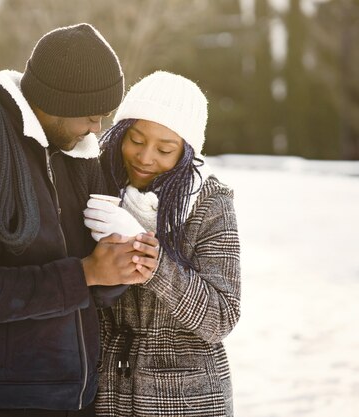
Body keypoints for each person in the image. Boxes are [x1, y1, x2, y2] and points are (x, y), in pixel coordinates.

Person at [0, 23, 160, 417]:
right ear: (55, 100)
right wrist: (85, 273)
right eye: (91, 115)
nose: (98, 128)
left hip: (75, 394)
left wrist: (121, 265)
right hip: (2, 400)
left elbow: (93, 283)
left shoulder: (79, 156)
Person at [83, 70, 241, 417]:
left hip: (188, 400)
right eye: (136, 140)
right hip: (110, 391)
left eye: (165, 149)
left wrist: (157, 268)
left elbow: (222, 317)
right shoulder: (99, 189)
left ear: (186, 152)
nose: (145, 157)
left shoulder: (209, 204)